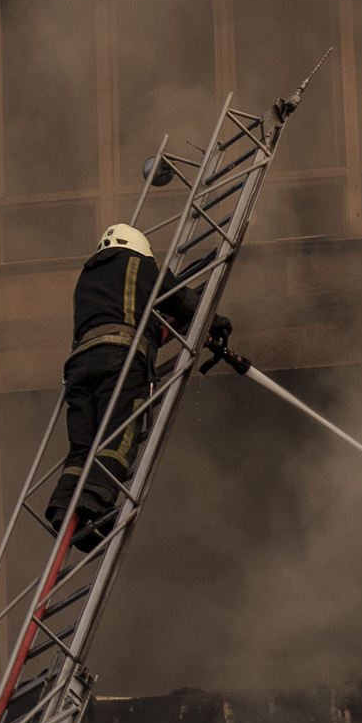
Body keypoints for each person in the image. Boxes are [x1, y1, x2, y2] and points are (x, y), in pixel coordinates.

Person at [45, 220, 235, 532]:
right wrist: (216, 321)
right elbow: (182, 302)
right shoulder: (142, 265)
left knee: (82, 446)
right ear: (139, 248)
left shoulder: (87, 277)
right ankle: (94, 502)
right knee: (121, 431)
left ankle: (63, 507)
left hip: (79, 366)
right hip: (120, 359)